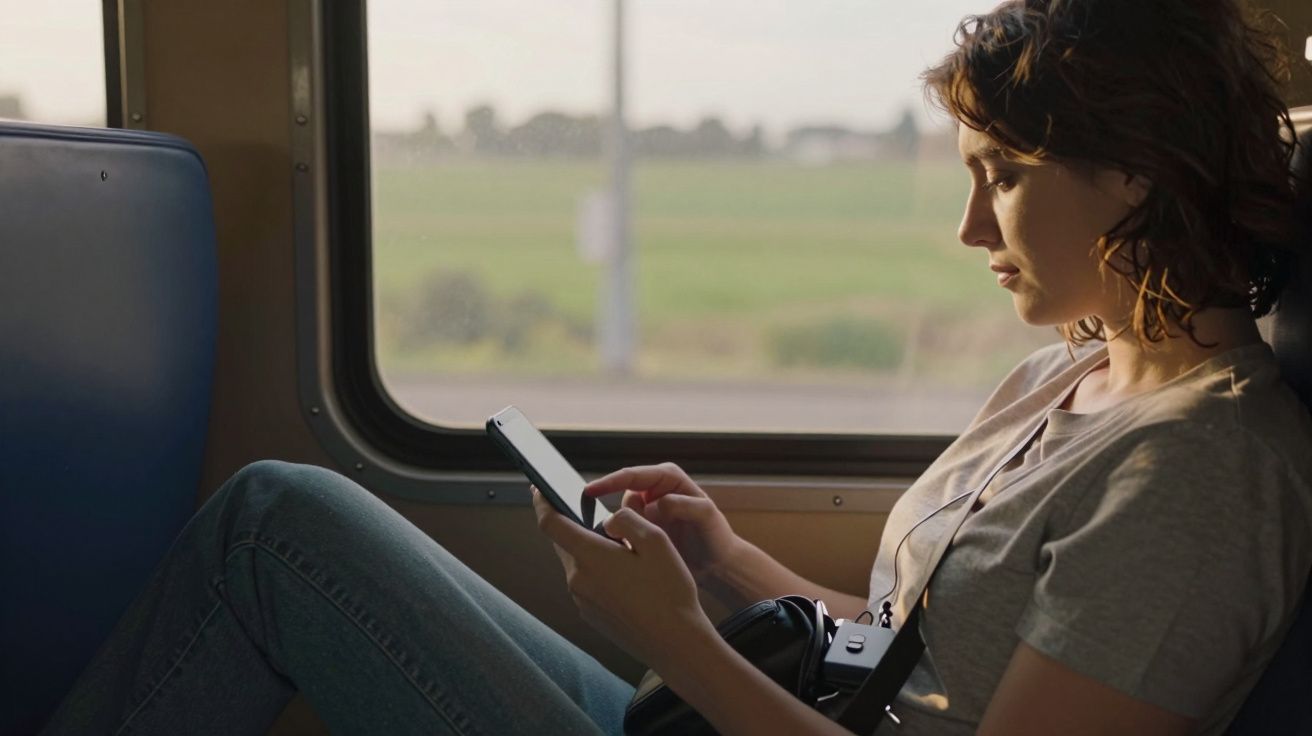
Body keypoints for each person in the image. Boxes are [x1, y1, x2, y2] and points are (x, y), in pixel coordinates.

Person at [42, 0, 1312, 734]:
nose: (970, 230)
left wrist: (678, 645)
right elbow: (909, 650)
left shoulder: (1197, 477)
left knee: (274, 530)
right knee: (283, 512)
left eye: (1006, 178)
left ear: (1138, 173)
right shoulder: (1071, 380)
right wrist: (719, 564)